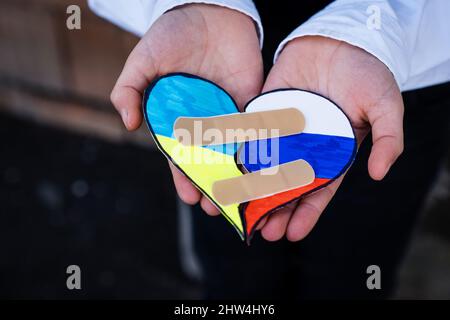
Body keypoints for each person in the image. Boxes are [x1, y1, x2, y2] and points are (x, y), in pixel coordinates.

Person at [89, 0, 450, 298]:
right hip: (216, 60)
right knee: (237, 276)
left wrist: (379, 29)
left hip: (393, 68)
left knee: (354, 269)